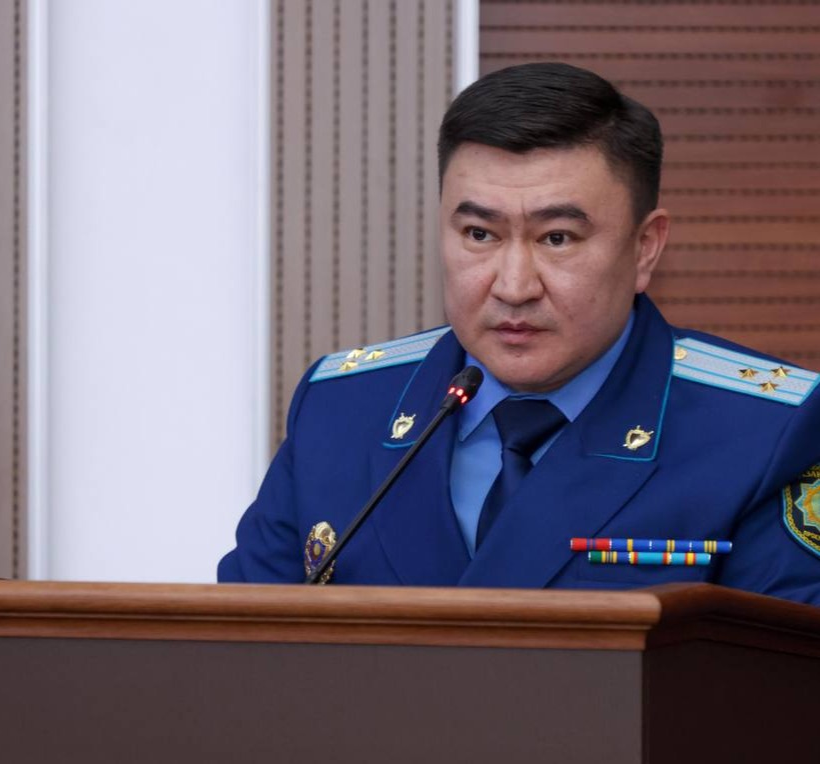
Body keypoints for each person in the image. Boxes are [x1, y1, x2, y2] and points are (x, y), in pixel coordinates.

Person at [219, 62, 820, 604]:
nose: (513, 286)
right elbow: (241, 653)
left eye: (557, 238)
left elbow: (775, 681)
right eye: (479, 234)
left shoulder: (766, 432)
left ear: (645, 248)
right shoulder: (342, 406)